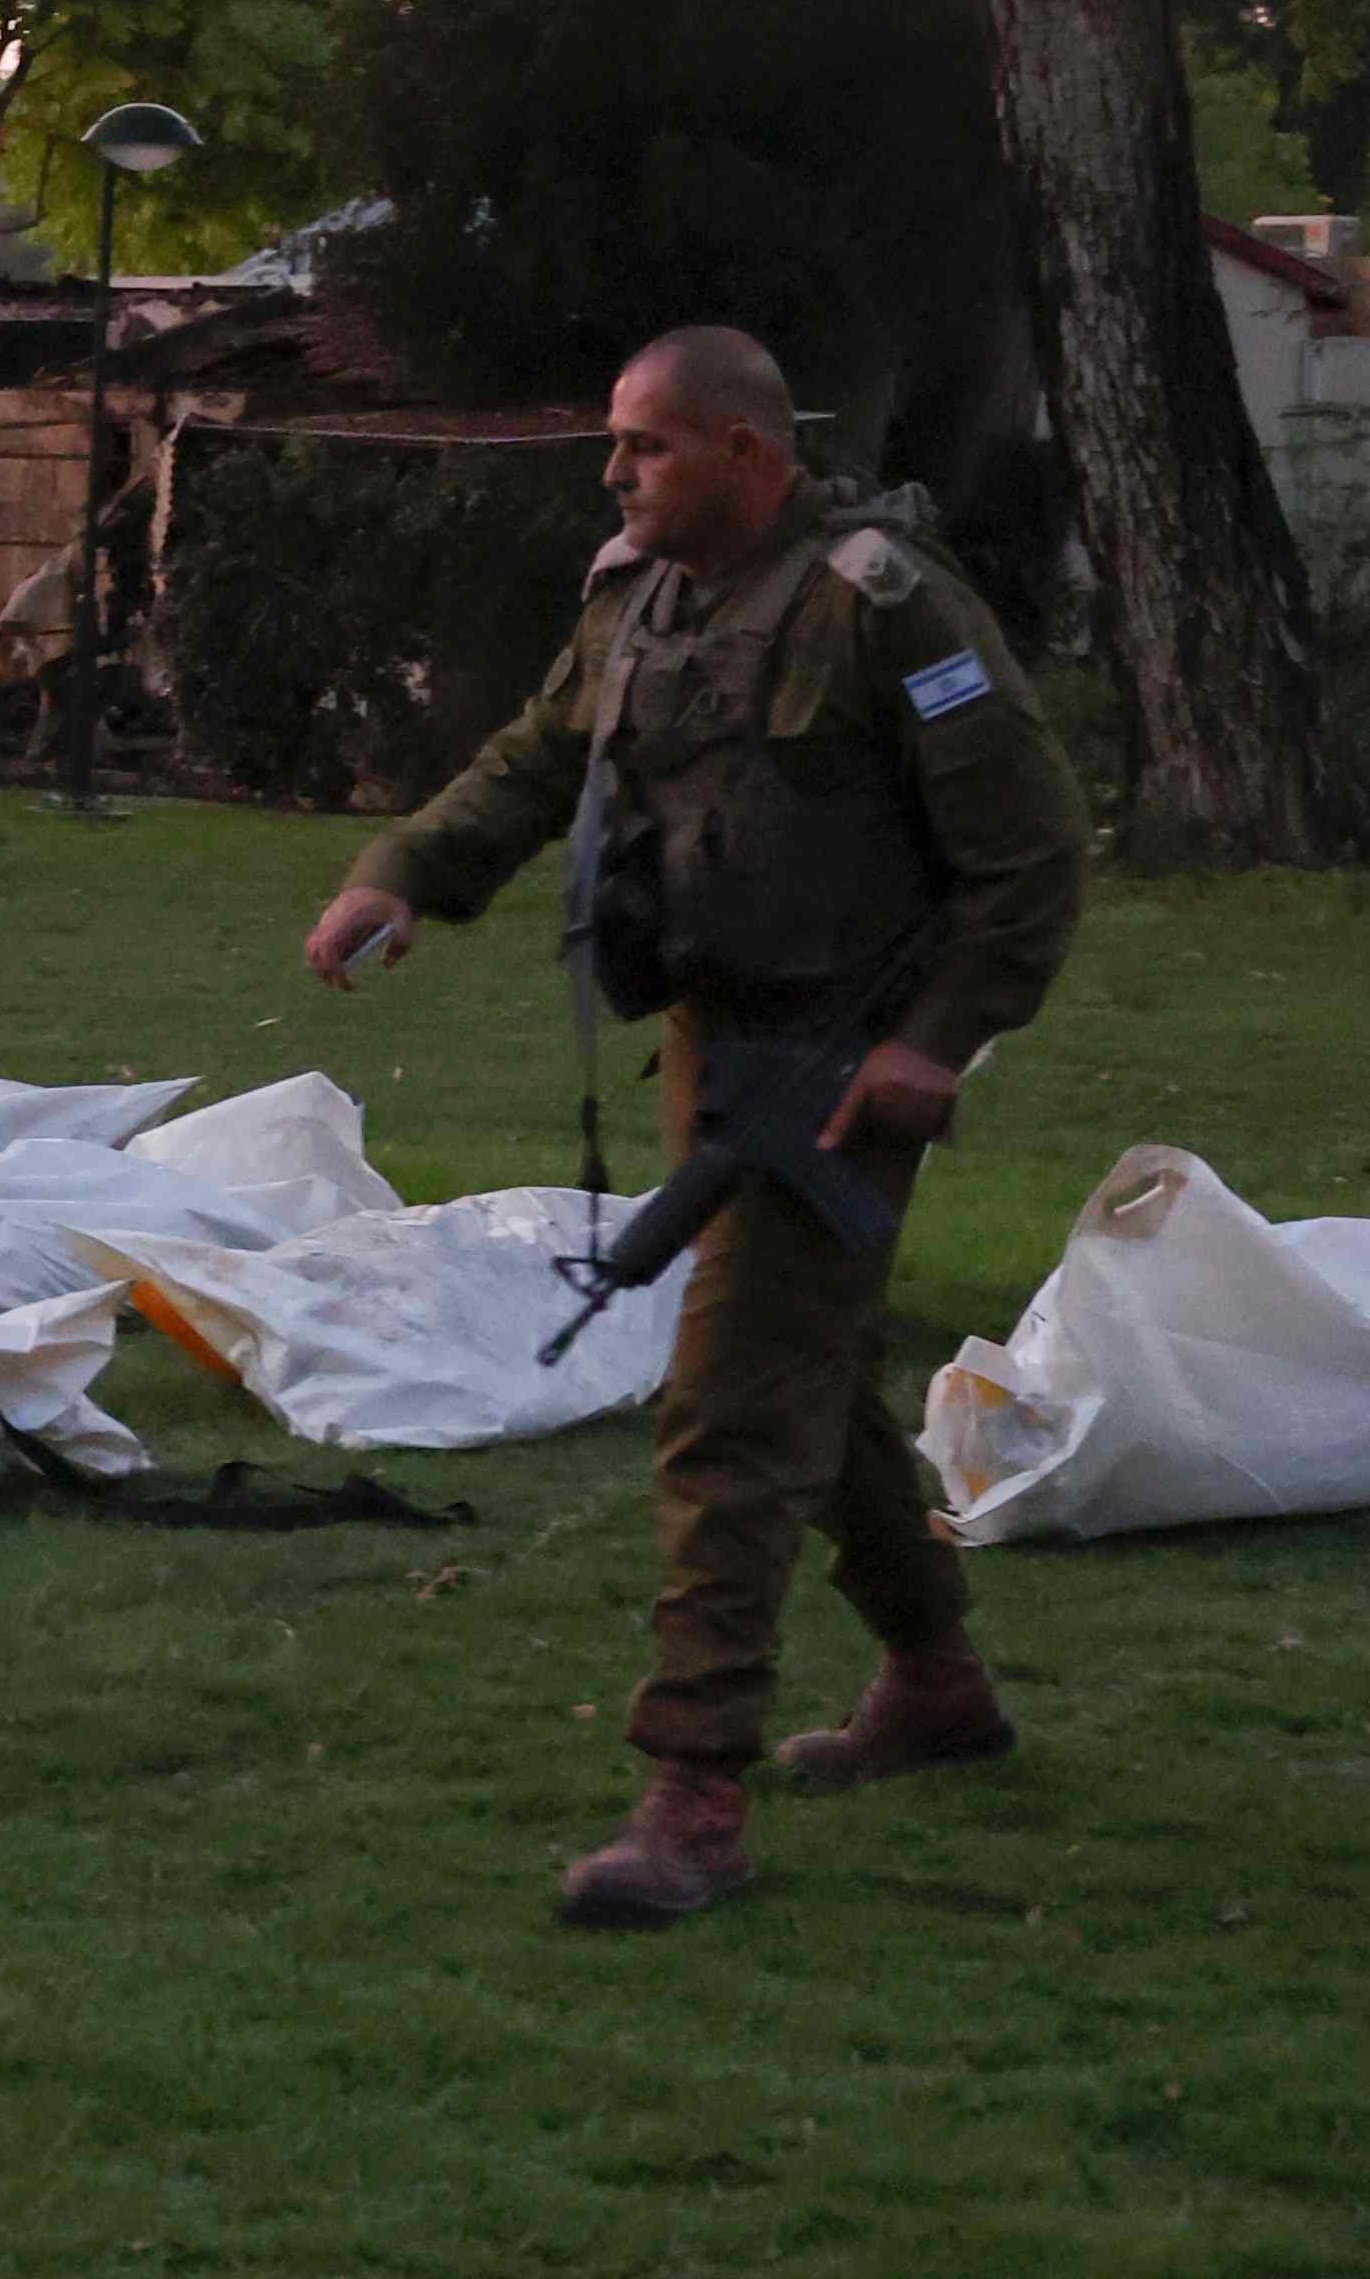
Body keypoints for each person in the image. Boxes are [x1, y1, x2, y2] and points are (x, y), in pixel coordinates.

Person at [299, 323, 1088, 1929]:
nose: (617, 472)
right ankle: (937, 1685)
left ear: (747, 450)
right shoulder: (636, 598)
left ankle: (693, 1795)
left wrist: (937, 1045)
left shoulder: (885, 604)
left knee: (728, 1407)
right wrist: (403, 875)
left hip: (849, 1066)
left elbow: (1034, 857)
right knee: (807, 1380)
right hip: (711, 1048)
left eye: (647, 447)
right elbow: (535, 759)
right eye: (616, 444)